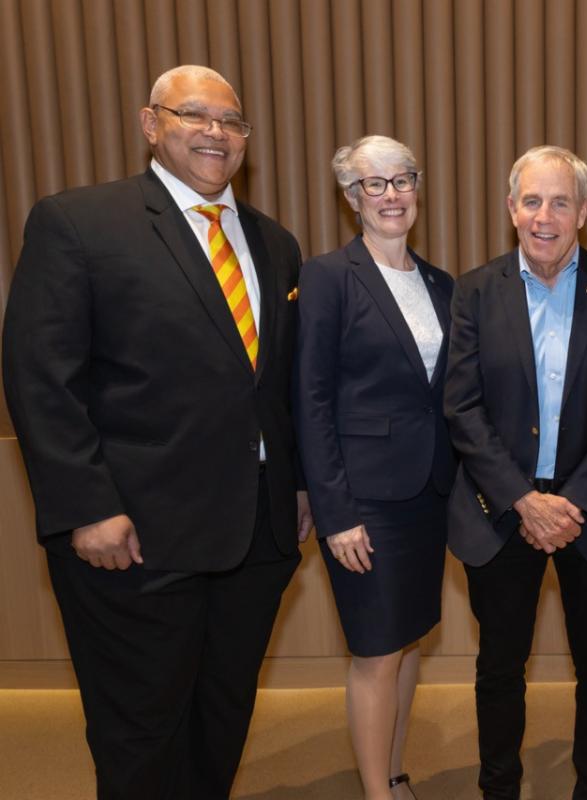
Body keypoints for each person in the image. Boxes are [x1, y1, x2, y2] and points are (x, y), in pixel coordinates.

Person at [1, 65, 310, 799]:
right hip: (134, 536)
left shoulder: (275, 243)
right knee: (141, 731)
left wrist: (295, 483)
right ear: (150, 124)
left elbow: (281, 385)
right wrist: (84, 507)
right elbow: (41, 377)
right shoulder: (78, 222)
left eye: (230, 122)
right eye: (193, 115)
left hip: (257, 537)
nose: (214, 133)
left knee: (222, 718)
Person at [443, 145, 587, 799]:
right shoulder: (476, 290)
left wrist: (575, 502)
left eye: (560, 201)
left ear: (584, 211)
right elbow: (462, 405)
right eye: (532, 200)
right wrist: (522, 499)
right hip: (501, 514)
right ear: (511, 209)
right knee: (500, 668)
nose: (545, 215)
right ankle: (499, 787)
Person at [294, 135, 455, 800]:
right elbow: (310, 399)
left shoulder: (442, 283)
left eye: (401, 180)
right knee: (376, 649)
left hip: (428, 495)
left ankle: (392, 770)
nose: (391, 195)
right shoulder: (329, 277)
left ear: (417, 187)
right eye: (374, 184)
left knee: (411, 638)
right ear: (351, 199)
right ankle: (374, 794)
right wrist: (335, 514)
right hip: (364, 503)